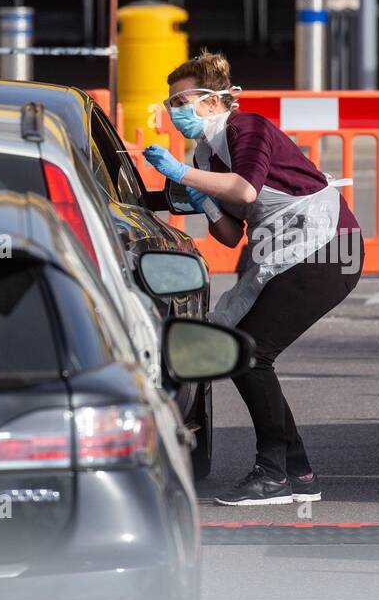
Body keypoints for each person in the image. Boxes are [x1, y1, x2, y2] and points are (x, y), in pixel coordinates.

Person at [142, 51, 365, 505]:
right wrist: (198, 198)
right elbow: (227, 234)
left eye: (181, 100)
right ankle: (297, 473)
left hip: (328, 248)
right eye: (170, 103)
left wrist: (181, 173)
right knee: (243, 350)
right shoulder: (207, 151)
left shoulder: (249, 129)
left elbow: (245, 189)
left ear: (212, 100)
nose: (174, 111)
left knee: (249, 354)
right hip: (287, 250)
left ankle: (274, 473)